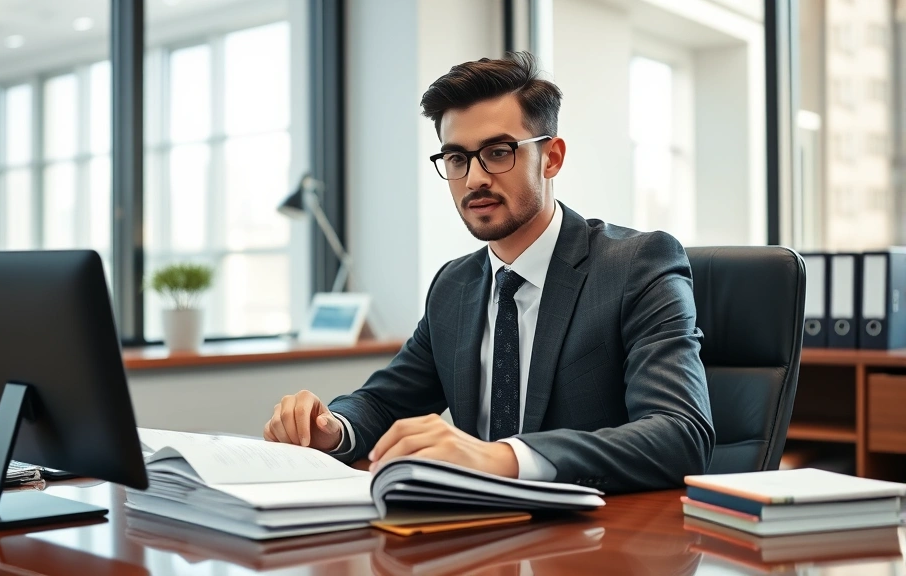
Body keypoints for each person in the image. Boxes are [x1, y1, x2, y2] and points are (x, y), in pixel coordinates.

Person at [264, 51, 714, 493]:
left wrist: (503, 457)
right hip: (477, 537)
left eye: (498, 152)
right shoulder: (454, 286)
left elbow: (679, 433)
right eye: (457, 158)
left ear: (552, 158)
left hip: (601, 542)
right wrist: (331, 428)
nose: (475, 178)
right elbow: (384, 401)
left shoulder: (637, 264)